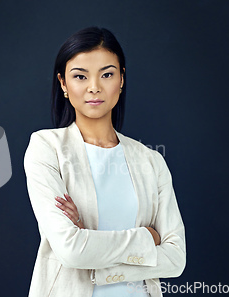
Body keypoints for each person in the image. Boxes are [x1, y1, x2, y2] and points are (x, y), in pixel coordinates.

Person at [23, 26, 186, 297]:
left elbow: (176, 258)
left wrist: (96, 256)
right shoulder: (46, 148)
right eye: (80, 76)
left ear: (121, 79)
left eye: (107, 74)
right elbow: (71, 250)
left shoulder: (151, 161)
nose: (94, 87)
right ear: (63, 83)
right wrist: (149, 238)